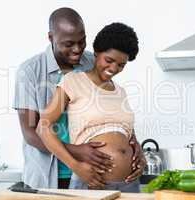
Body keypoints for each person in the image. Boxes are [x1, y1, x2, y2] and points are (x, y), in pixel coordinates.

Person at [13, 7, 145, 189]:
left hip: (106, 174)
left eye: (82, 42)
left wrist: (133, 145)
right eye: (69, 44)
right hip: (51, 172)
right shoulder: (29, 71)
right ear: (51, 38)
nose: (78, 50)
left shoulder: (95, 61)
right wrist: (78, 154)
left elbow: (112, 115)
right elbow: (31, 132)